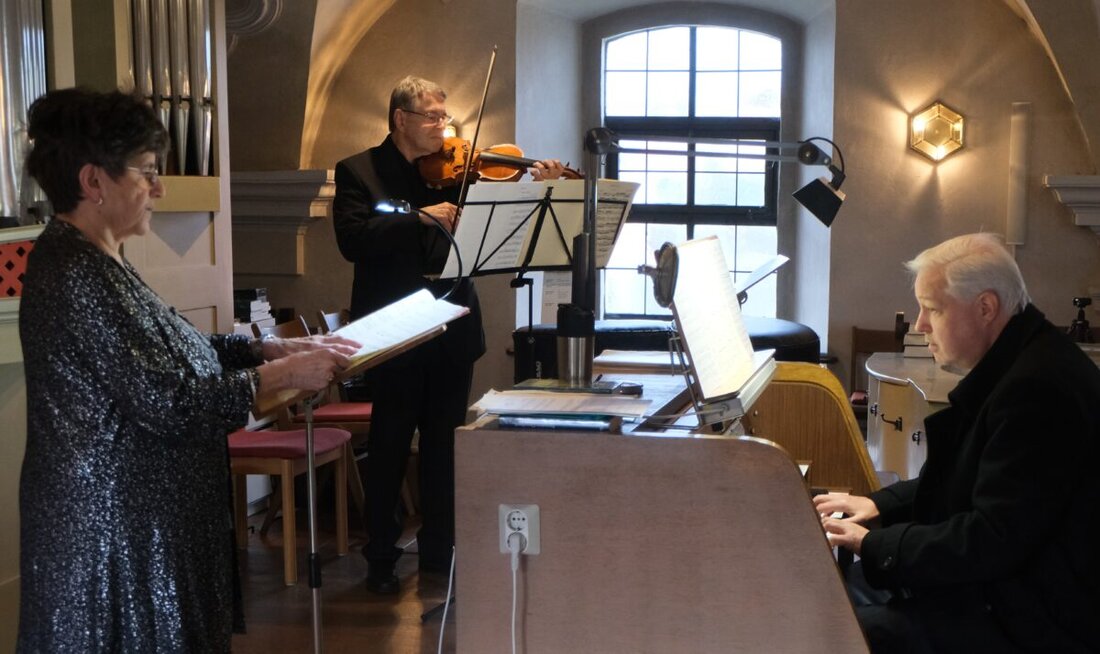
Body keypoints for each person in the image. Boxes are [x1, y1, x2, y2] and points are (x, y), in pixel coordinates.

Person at [17, 88, 361, 652]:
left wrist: (260, 351)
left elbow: (165, 348)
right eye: (148, 172)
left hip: (141, 517)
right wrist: (281, 378)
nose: (160, 188)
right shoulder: (74, 270)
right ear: (93, 181)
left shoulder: (100, 260)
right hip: (109, 531)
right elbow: (165, 400)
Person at [333, 75, 565, 594]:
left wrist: (537, 185)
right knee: (391, 443)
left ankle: (441, 550)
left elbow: (500, 222)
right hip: (395, 329)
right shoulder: (359, 171)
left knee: (444, 444)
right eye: (433, 117)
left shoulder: (460, 174)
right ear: (401, 119)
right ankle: (380, 557)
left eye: (446, 117)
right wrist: (418, 217)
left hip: (454, 323)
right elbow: (352, 239)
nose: (444, 127)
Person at [815, 233, 1100, 653]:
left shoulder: (1037, 389)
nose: (919, 325)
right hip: (1010, 588)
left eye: (932, 308)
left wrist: (871, 544)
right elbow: (971, 477)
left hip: (1033, 620)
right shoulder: (1022, 361)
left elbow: (990, 538)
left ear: (986, 308)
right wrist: (883, 505)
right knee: (838, 595)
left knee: (836, 629)